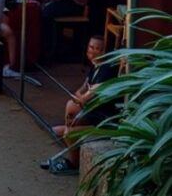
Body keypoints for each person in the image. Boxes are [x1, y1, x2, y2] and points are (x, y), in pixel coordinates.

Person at [42, 36, 118, 175]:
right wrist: (79, 99)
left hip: (104, 122)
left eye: (98, 49)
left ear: (106, 52)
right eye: (91, 47)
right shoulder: (95, 67)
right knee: (58, 130)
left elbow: (87, 97)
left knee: (68, 132)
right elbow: (81, 91)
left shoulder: (107, 70)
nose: (93, 51)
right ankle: (72, 141)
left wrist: (80, 99)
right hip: (92, 114)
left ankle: (73, 163)